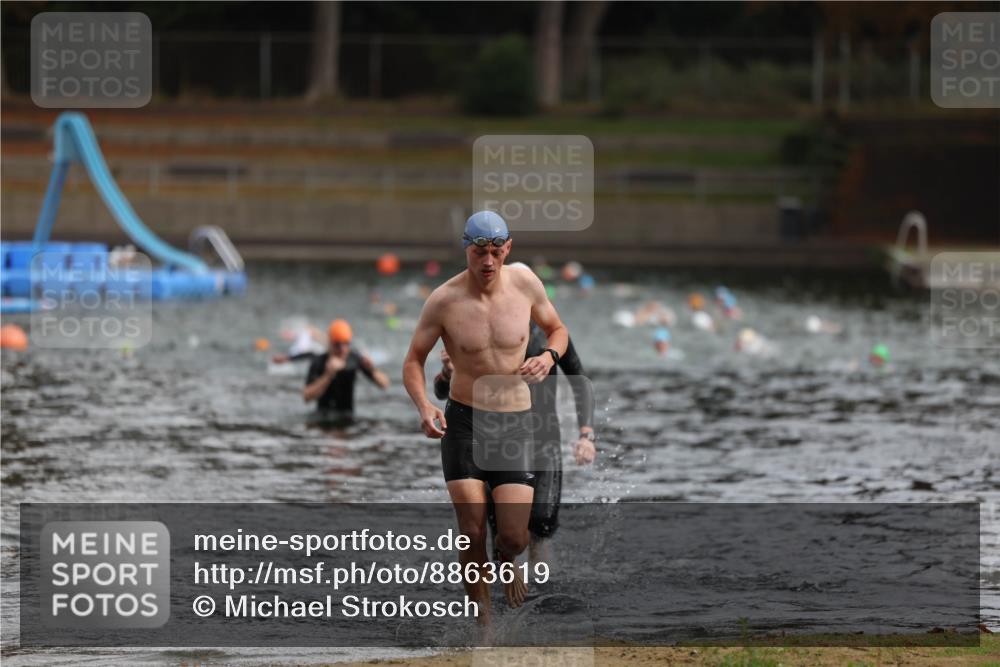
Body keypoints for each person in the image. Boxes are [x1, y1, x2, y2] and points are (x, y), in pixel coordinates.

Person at [402, 211, 569, 623]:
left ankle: (506, 557)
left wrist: (548, 357)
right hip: (463, 424)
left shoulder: (526, 285)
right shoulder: (444, 300)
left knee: (513, 537)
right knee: (472, 528)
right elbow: (412, 361)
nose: (488, 261)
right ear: (467, 250)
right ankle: (484, 626)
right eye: (480, 252)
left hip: (514, 423)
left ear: (508, 249)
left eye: (496, 252)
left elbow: (558, 329)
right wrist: (425, 406)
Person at [431, 309, 595, 564]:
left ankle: (540, 575)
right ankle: (506, 583)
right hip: (498, 444)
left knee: (541, 523)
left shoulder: (550, 335)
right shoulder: (481, 333)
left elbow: (579, 380)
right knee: (503, 534)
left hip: (544, 441)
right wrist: (449, 373)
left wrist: (586, 435)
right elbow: (443, 392)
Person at [303, 319, 390, 415]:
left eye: (346, 343)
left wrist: (372, 369)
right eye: (338, 345)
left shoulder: (354, 359)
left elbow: (384, 384)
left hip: (347, 417)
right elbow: (307, 396)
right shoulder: (319, 361)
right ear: (330, 343)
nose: (342, 349)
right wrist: (328, 375)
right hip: (323, 417)